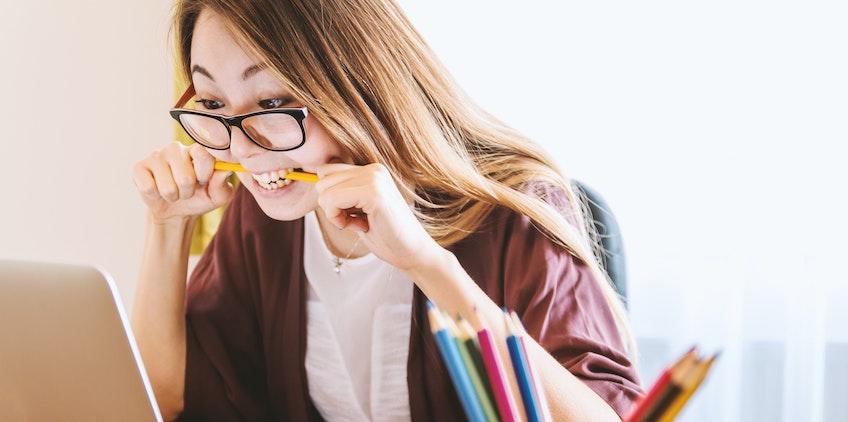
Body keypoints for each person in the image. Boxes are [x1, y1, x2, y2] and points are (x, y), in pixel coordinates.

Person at [131, 0, 643, 420]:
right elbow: (166, 397)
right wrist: (167, 225)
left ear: (357, 85)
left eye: (271, 103)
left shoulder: (514, 212)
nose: (242, 149)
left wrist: (427, 264)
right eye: (216, 105)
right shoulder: (265, 217)